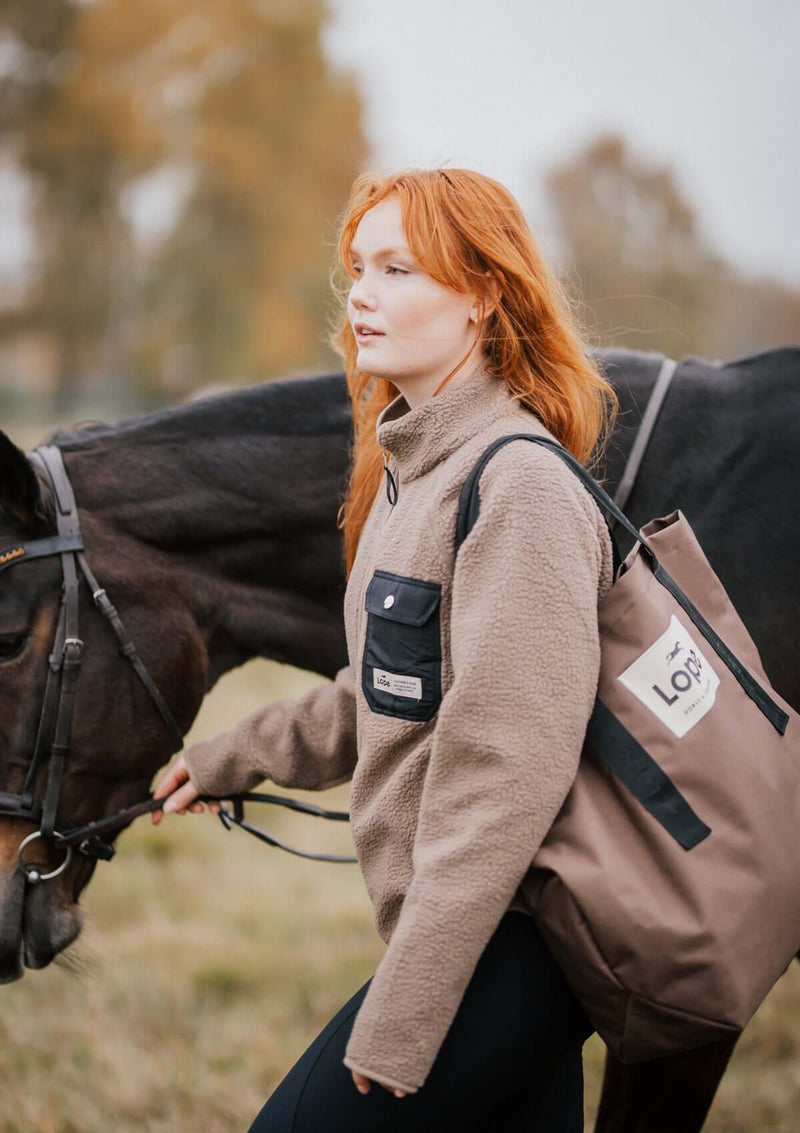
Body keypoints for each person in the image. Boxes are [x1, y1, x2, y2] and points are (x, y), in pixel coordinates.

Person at [152, 166, 619, 1131]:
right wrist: (221, 760)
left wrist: (403, 1018)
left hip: (509, 949)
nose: (361, 294)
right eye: (358, 267)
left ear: (484, 296)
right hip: (462, 943)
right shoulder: (414, 474)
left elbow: (505, 778)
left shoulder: (518, 486)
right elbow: (378, 693)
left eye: (398, 269)